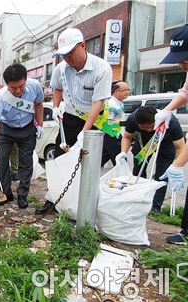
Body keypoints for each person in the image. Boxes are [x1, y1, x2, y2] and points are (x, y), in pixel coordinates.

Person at [36, 27, 113, 215]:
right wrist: (55, 107)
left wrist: (84, 133)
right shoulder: (60, 69)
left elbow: (97, 103)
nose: (67, 58)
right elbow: (57, 89)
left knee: (89, 161)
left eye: (70, 53)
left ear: (83, 46)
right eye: (63, 55)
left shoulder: (102, 68)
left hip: (95, 120)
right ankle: (53, 199)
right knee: (61, 157)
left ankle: (85, 203)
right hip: (70, 117)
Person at [153, 23, 188, 243]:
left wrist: (177, 165)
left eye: (185, 59)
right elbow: (186, 93)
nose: (181, 64)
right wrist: (166, 111)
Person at [0, 63, 44, 209]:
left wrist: (40, 124)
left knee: (26, 163)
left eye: (21, 86)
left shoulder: (35, 86)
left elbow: (38, 104)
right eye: (13, 87)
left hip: (27, 128)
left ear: (26, 79)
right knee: (1, 160)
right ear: (6, 85)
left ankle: (22, 195)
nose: (18, 91)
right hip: (6, 130)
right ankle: (6, 193)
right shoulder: (0, 98)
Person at [116, 106, 185, 212]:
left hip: (165, 143)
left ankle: (155, 207)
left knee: (162, 175)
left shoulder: (171, 122)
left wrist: (177, 166)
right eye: (144, 127)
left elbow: (180, 147)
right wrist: (123, 152)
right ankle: (137, 199)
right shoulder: (132, 119)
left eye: (151, 126)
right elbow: (127, 137)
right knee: (138, 171)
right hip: (142, 143)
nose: (148, 130)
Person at [102, 81, 129, 166]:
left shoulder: (119, 103)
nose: (127, 92)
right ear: (116, 91)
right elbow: (109, 122)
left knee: (100, 159)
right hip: (112, 134)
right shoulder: (111, 104)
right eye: (125, 90)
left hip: (116, 134)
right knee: (120, 161)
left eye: (128, 90)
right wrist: (125, 123)